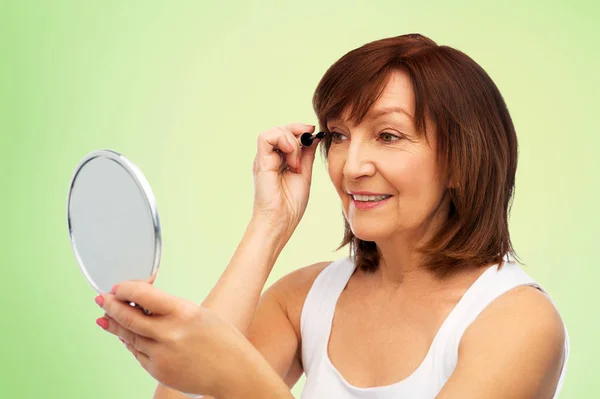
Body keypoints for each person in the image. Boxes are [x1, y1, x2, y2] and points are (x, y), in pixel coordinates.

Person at [94, 33, 570, 398]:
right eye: (339, 135)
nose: (351, 167)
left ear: (463, 162)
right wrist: (269, 223)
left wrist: (243, 380)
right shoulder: (306, 299)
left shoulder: (517, 321)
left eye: (388, 136)